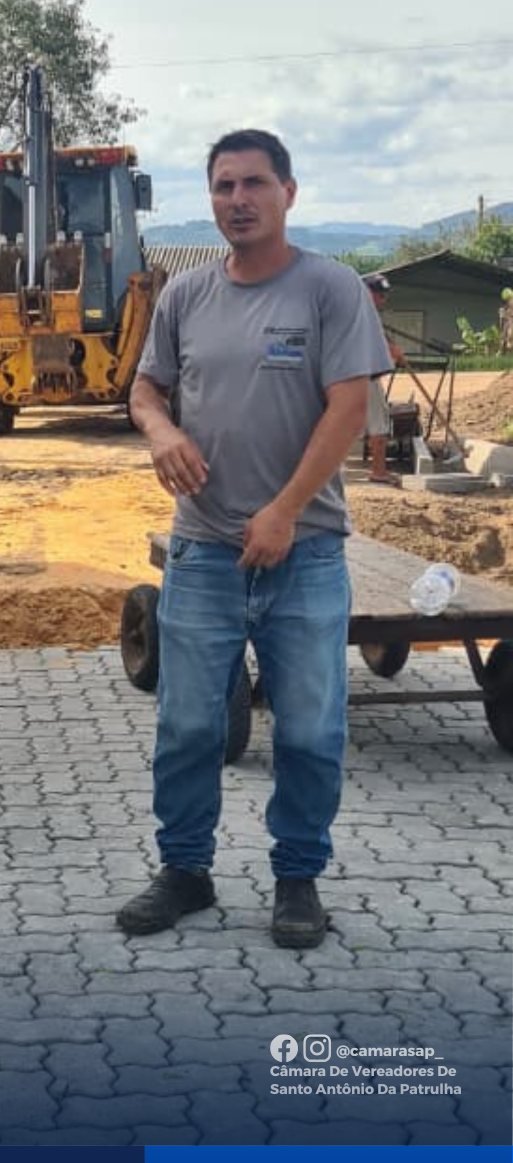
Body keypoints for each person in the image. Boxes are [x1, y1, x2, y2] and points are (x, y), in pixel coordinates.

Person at [117, 129, 392, 949]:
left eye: (254, 184)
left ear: (288, 193)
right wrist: (161, 430)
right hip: (202, 552)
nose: (238, 200)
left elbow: (350, 407)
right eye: (223, 186)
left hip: (304, 554)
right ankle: (185, 871)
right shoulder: (185, 295)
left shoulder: (329, 289)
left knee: (308, 729)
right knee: (188, 727)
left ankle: (298, 879)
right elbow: (144, 389)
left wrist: (285, 510)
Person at [362, 273, 405, 486]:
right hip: (364, 377)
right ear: (366, 292)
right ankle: (379, 472)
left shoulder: (356, 311)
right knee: (379, 424)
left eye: (384, 295)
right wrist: (395, 352)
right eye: (379, 295)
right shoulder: (363, 313)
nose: (382, 299)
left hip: (349, 376)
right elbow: (383, 345)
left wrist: (393, 349)